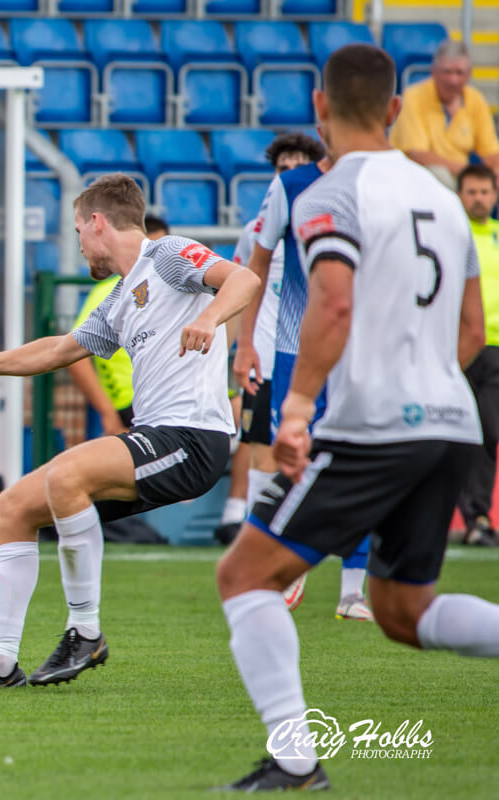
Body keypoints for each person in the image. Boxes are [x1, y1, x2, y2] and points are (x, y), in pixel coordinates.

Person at [215, 43, 499, 792]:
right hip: (451, 421)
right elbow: (471, 329)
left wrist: (299, 407)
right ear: (397, 108)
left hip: (377, 422)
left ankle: (295, 760)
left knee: (245, 574)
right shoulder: (445, 193)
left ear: (319, 108)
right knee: (403, 610)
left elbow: (333, 304)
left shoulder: (326, 195)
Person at [0, 174, 259, 689]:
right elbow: (58, 350)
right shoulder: (121, 296)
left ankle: (85, 633)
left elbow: (244, 279)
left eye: (79, 230)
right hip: (156, 438)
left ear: (97, 223)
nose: (79, 243)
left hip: (193, 438)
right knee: (13, 506)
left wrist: (211, 317)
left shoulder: (167, 254)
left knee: (67, 473)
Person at [235, 126, 373, 621]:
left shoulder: (378, 185)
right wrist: (246, 342)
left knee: (362, 461)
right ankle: (286, 564)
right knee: (292, 458)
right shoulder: (289, 188)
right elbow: (256, 265)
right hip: (294, 352)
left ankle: (352, 592)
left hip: (362, 352)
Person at [215, 133, 325, 547]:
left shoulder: (326, 226)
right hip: (265, 353)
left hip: (313, 353)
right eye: (283, 169)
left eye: (298, 167)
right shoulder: (255, 233)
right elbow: (242, 294)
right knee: (261, 446)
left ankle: (311, 536)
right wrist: (235, 351)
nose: (290, 175)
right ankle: (261, 538)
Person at [65, 214, 169, 440]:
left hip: (173, 395)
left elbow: (240, 281)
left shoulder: (176, 283)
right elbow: (74, 353)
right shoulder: (111, 291)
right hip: (131, 403)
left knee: (240, 408)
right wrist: (107, 411)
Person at [456, 164, 499, 546]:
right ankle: (471, 518)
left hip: (496, 348)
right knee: (456, 433)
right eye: (471, 191)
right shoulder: (451, 235)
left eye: (484, 191)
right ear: (460, 195)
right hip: (457, 346)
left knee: (489, 432)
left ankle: (479, 518)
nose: (479, 198)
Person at [390, 40, 499, 186]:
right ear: (433, 71)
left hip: (462, 179)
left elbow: (490, 150)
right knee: (441, 176)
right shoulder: (413, 96)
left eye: (459, 73)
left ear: (469, 75)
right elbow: (417, 154)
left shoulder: (475, 99)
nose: (453, 80)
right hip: (417, 175)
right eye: (447, 72)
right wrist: (467, 173)